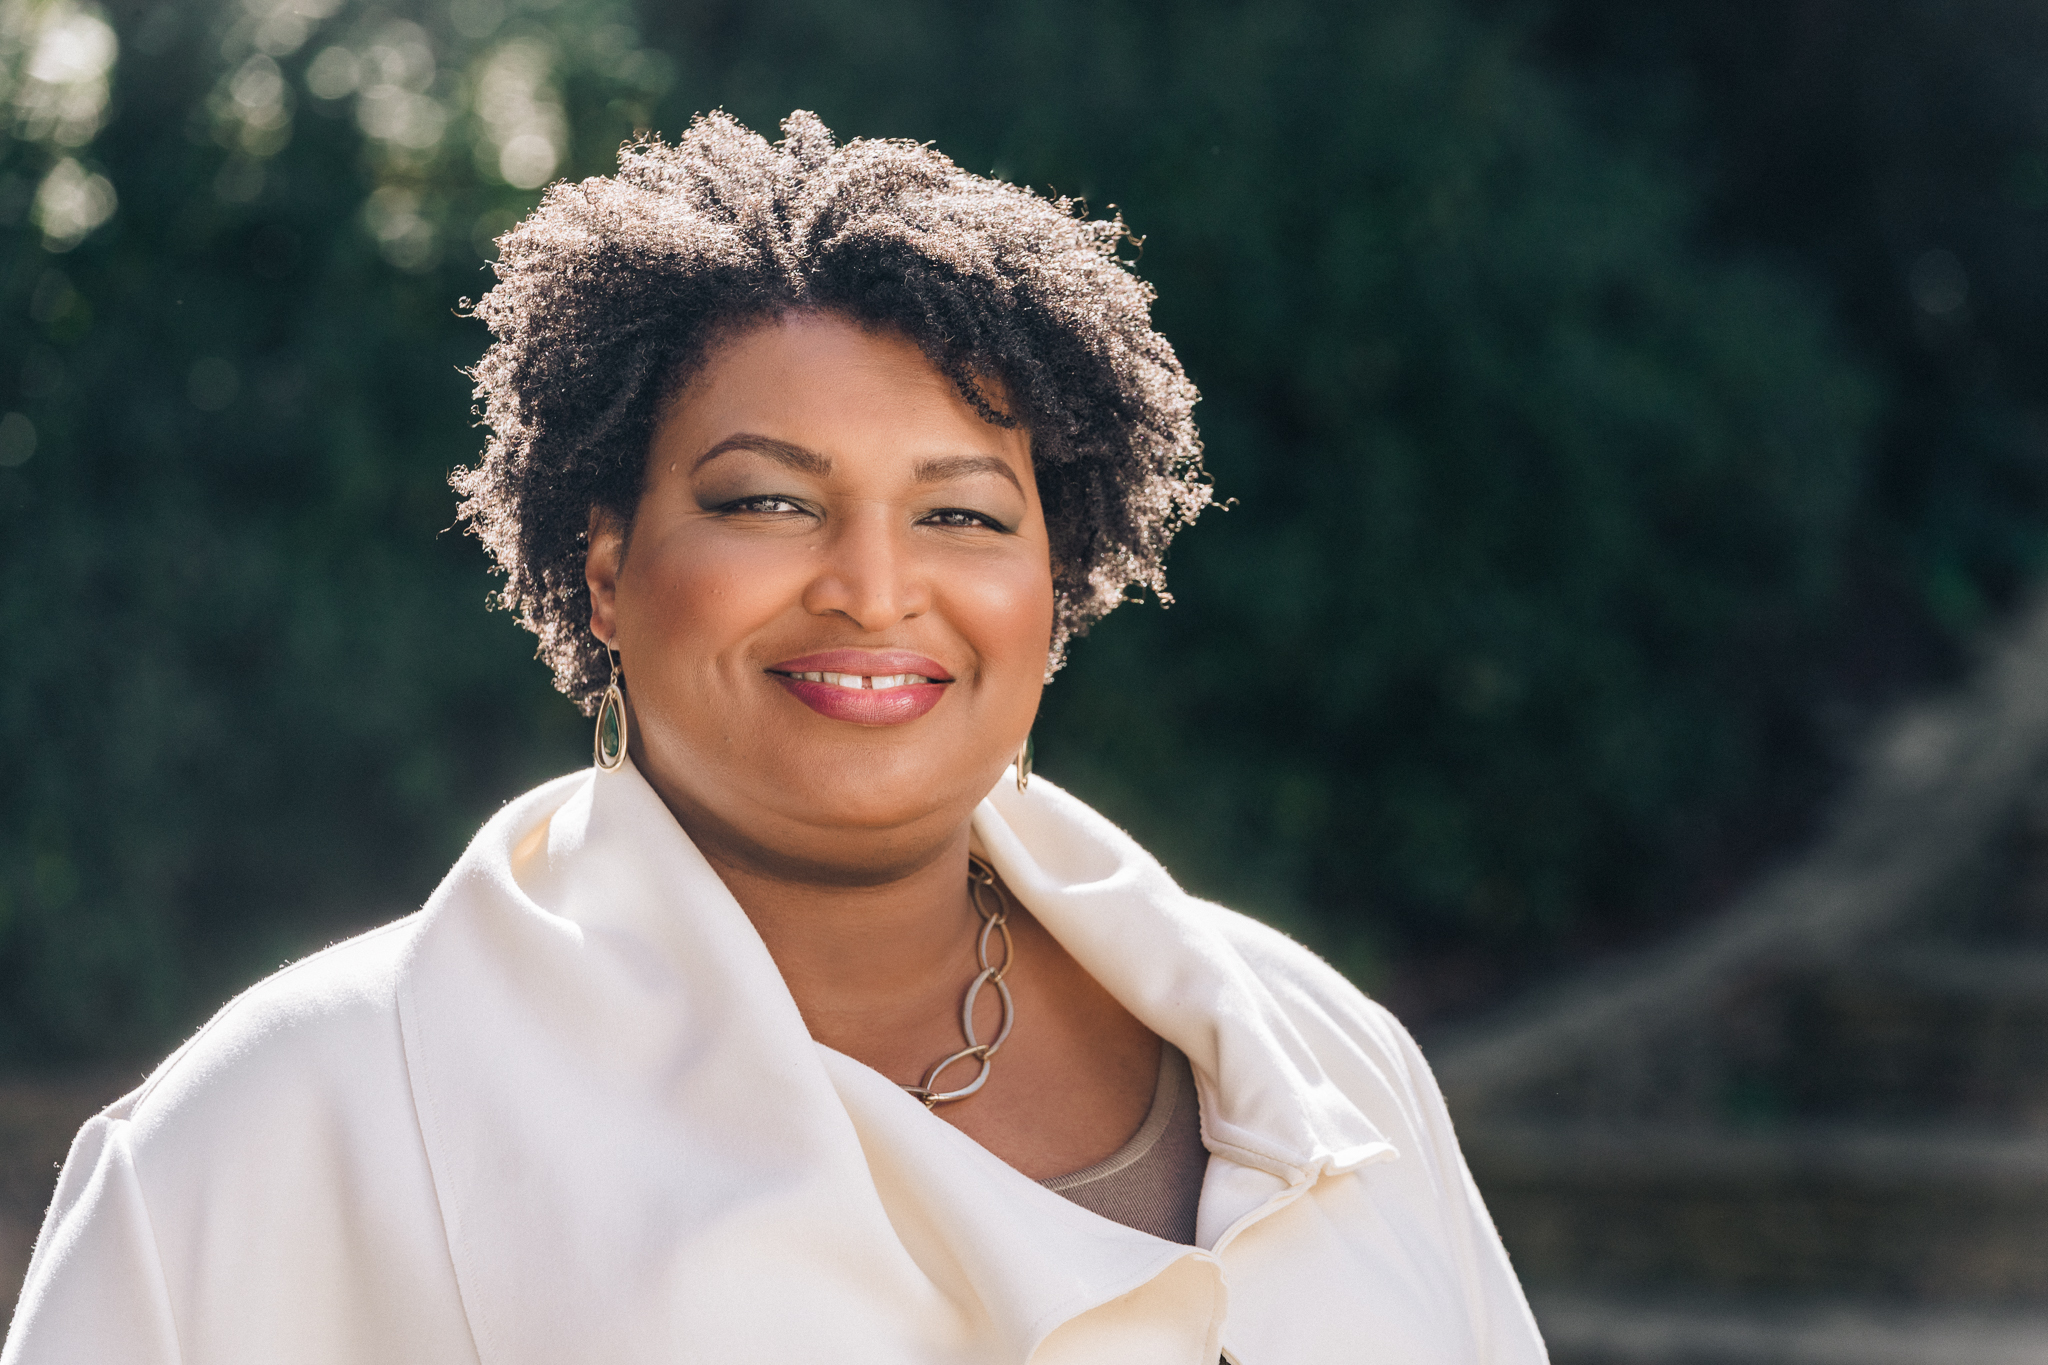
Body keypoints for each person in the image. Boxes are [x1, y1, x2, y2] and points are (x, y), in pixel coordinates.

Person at [2, 112, 1547, 1365]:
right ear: (605, 567)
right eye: (766, 501)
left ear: (1053, 590)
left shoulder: (1316, 1053)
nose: (875, 586)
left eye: (960, 512)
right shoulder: (295, 1122)